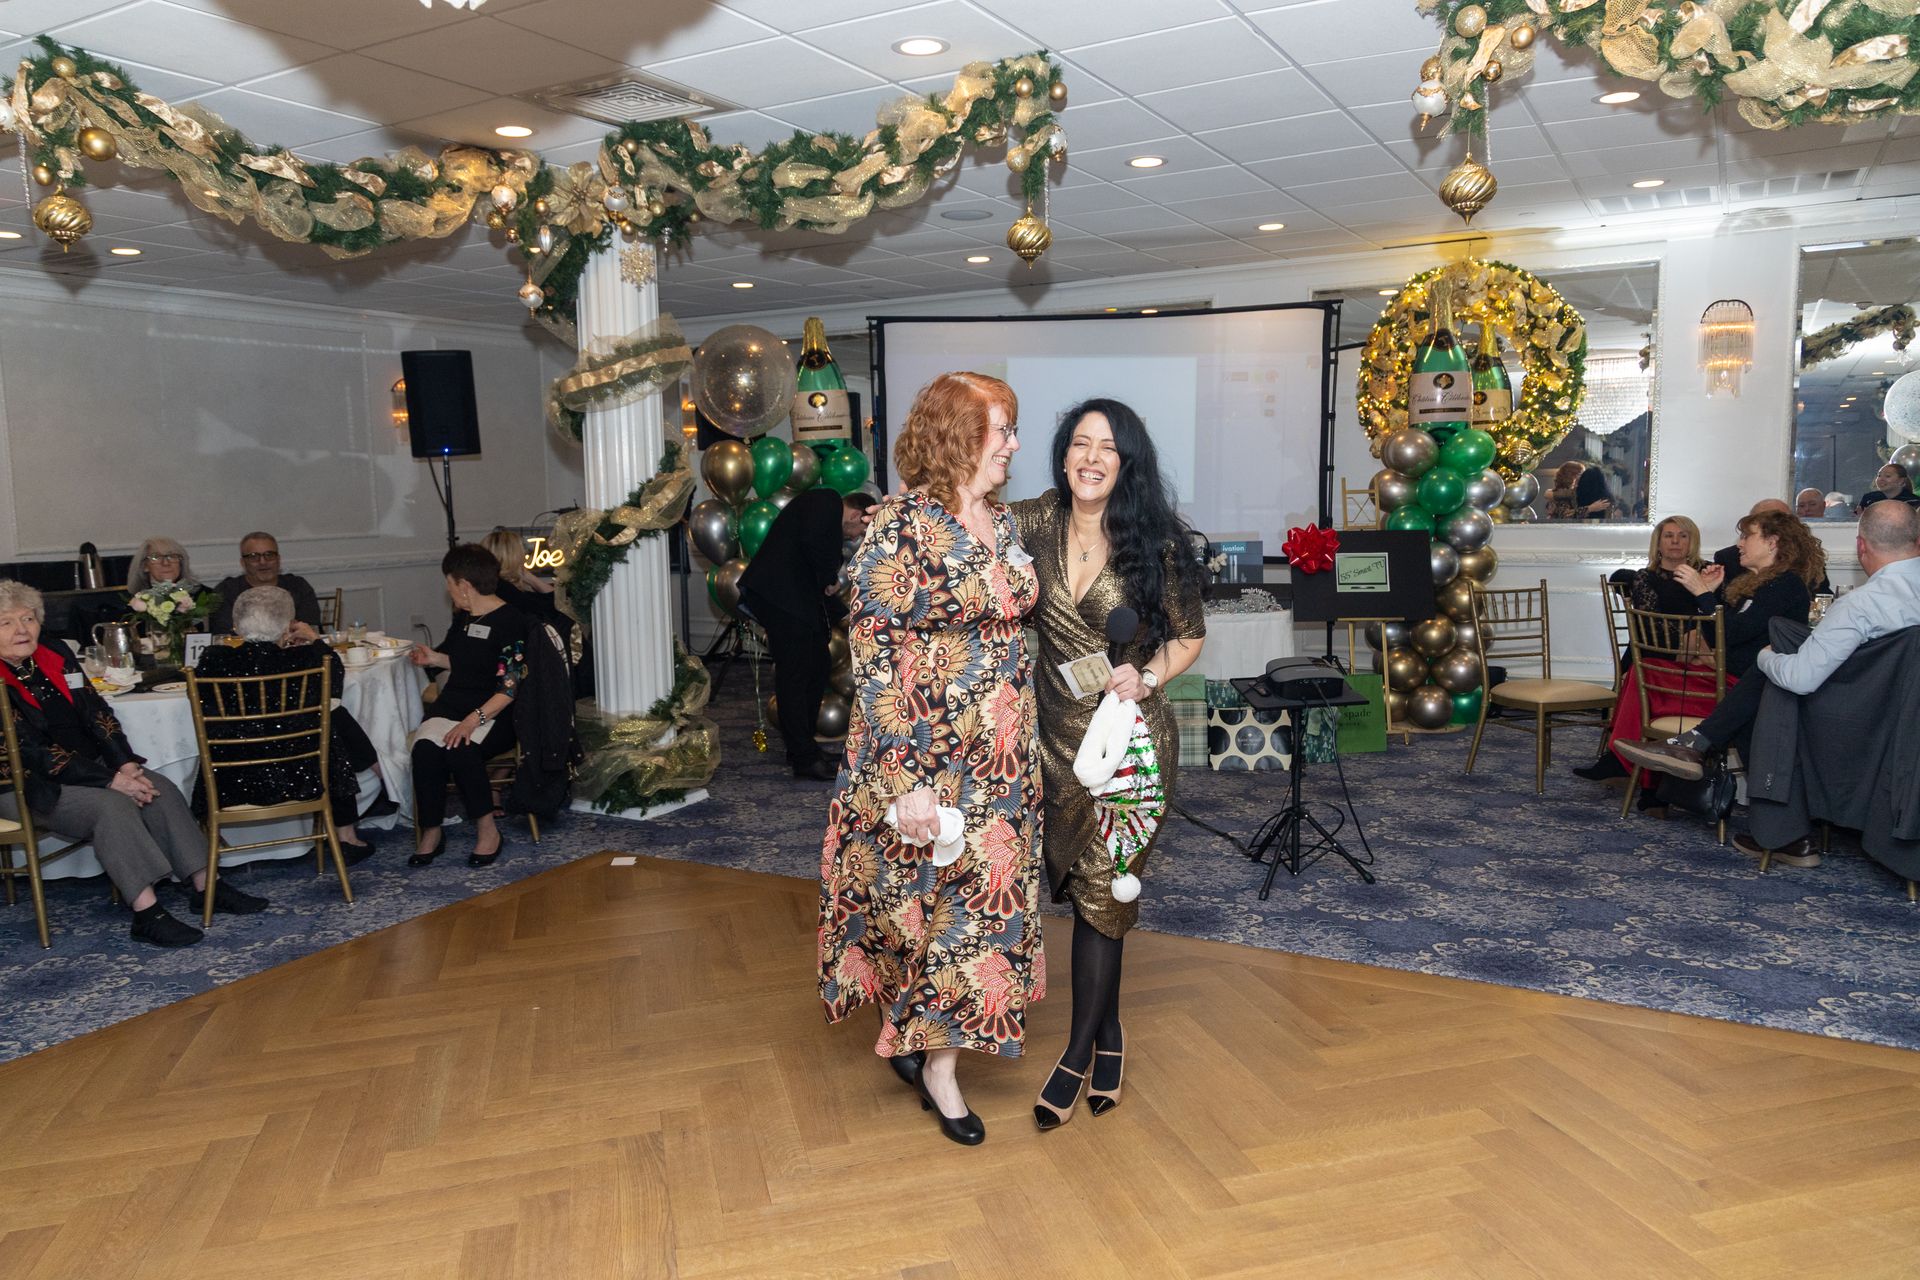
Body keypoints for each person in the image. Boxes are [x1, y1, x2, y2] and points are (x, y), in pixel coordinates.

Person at [817, 372, 1043, 1147]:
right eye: (1002, 430)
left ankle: (936, 1058)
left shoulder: (1005, 524)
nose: (1013, 444)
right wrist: (906, 782)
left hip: (1004, 762)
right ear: (958, 437)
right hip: (927, 757)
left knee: (978, 914)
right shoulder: (901, 527)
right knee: (918, 914)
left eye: (1013, 429)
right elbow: (874, 658)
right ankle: (931, 1058)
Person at [1011, 399, 1206, 1131]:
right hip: (1052, 741)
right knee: (1085, 895)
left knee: (1102, 893)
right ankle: (1113, 1034)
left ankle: (1076, 1053)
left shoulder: (1154, 543)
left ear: (1126, 464)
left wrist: (1147, 676)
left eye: (1108, 448)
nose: (1091, 457)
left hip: (1127, 741)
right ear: (1063, 456)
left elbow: (1187, 636)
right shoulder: (1029, 523)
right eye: (1080, 444)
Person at [1618, 501, 1920, 866]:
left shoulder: (1853, 602)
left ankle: (1705, 760)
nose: (1739, 543)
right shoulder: (1764, 584)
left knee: (1768, 688)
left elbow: (1797, 675)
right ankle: (1771, 821)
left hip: (1852, 725)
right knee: (1758, 691)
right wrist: (1713, 600)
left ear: (1861, 547)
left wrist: (1764, 654)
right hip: (1898, 721)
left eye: (1747, 535)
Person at [0, 580, 265, 948]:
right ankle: (147, 913)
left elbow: (96, 713)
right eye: (7, 623)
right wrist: (110, 780)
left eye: (28, 618)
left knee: (160, 788)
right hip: (28, 785)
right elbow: (32, 753)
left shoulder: (55, 652)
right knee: (112, 806)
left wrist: (123, 764)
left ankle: (208, 887)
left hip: (92, 770)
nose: (22, 629)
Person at [192, 586, 381, 865]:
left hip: (230, 777)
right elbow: (335, 684)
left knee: (331, 724)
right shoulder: (307, 659)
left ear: (235, 626)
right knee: (330, 724)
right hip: (301, 775)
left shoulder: (213, 660)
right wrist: (315, 639)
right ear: (286, 628)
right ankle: (347, 835)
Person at [738, 488, 878, 780]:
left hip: (792, 600)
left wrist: (844, 610)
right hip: (779, 598)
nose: (854, 539)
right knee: (796, 673)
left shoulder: (822, 514)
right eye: (858, 532)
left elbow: (813, 569)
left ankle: (803, 747)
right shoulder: (825, 500)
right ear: (855, 515)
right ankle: (803, 757)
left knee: (817, 666)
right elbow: (815, 548)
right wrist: (830, 577)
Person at [407, 544, 530, 869]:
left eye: (449, 584)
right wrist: (434, 658)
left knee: (460, 749)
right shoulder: (464, 617)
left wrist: (472, 721)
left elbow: (509, 685)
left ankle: (488, 831)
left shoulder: (511, 621)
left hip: (497, 711)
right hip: (455, 703)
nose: (448, 591)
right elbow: (468, 661)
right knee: (425, 751)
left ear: (464, 585)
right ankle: (432, 831)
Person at [1572, 514, 1708, 785]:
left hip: (1698, 654)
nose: (1675, 542)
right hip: (1658, 650)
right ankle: (1624, 759)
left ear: (1692, 542)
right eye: (1668, 536)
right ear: (1658, 542)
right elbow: (1652, 624)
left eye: (1683, 536)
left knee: (1637, 667)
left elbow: (1715, 618)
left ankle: (1619, 759)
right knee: (1640, 663)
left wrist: (1692, 642)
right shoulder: (1647, 577)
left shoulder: (1707, 573)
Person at [1675, 508, 1823, 678]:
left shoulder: (1785, 584)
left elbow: (1733, 634)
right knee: (1653, 671)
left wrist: (1702, 593)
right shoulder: (1755, 582)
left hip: (1754, 684)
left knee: (1655, 677)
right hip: (1733, 675)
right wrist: (1708, 592)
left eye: (1746, 536)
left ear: (1772, 543)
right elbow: (1716, 636)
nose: (1739, 544)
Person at [211, 532, 321, 639]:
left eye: (269, 555)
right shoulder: (227, 590)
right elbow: (224, 633)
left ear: (278, 559)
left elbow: (309, 628)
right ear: (243, 563)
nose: (263, 562)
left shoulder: (298, 586)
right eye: (254, 556)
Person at [125, 536, 211, 595]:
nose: (166, 563)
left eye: (173, 556)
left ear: (181, 564)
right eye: (156, 557)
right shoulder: (136, 601)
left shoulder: (205, 596)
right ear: (145, 566)